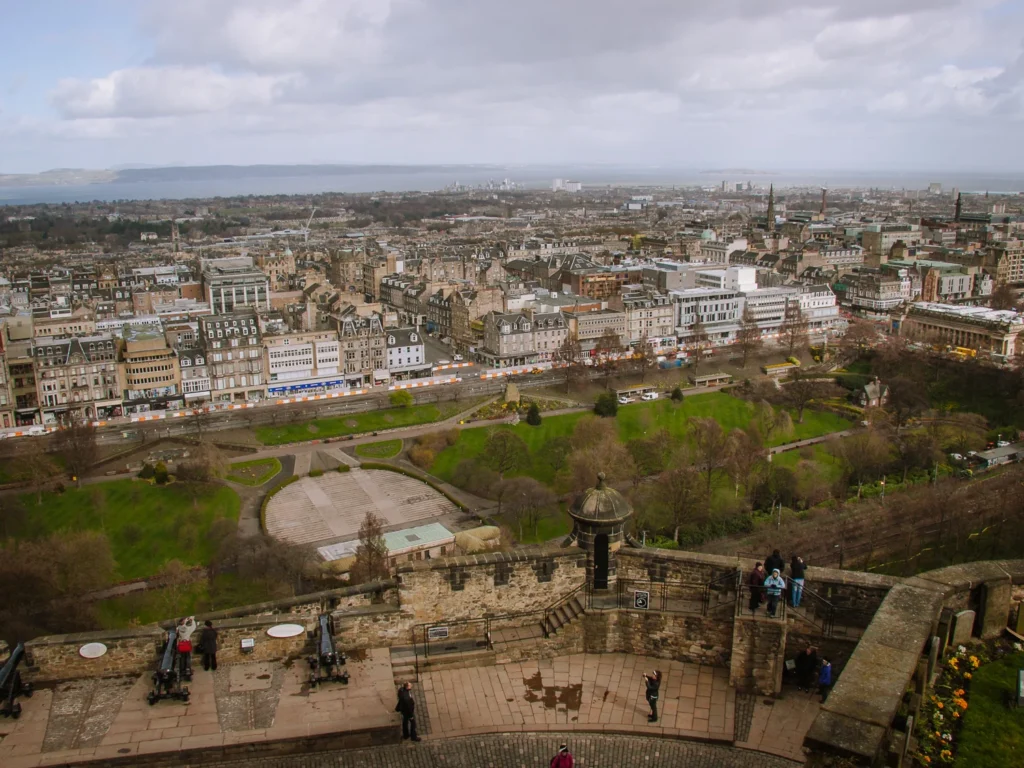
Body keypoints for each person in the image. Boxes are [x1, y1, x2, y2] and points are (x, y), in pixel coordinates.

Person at [176, 616, 196, 681]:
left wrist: (186, 620)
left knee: (182, 658)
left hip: (181, 644)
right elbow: (193, 627)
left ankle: (182, 670)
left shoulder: (178, 628)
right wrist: (192, 620)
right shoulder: (187, 629)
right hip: (186, 644)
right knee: (188, 657)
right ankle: (188, 669)